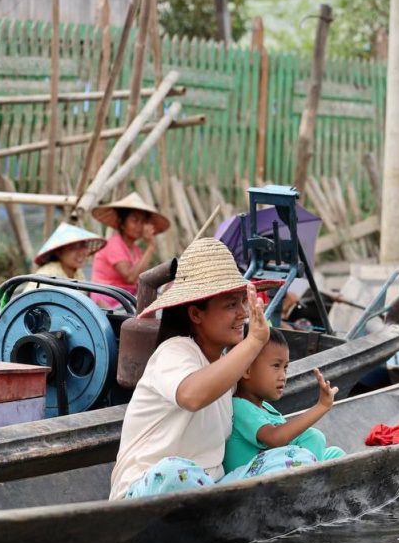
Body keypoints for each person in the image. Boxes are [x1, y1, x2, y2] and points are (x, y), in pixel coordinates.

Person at [109, 237, 318, 501]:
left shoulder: (225, 366)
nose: (243, 313)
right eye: (231, 305)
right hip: (148, 490)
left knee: (296, 459)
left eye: (243, 302)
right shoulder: (174, 351)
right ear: (196, 314)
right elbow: (192, 396)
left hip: (211, 493)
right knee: (177, 472)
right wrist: (254, 341)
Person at [224, 328, 346, 473]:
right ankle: (309, 483)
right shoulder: (239, 406)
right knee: (313, 437)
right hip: (249, 477)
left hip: (274, 468)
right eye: (276, 366)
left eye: (285, 367)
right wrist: (322, 406)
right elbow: (275, 438)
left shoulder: (266, 408)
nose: (283, 376)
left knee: (336, 454)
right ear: (246, 370)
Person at [90, 192, 169, 309]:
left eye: (142, 222)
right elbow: (130, 278)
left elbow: (138, 279)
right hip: (108, 298)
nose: (139, 226)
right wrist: (150, 247)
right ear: (122, 223)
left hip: (125, 297)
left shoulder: (136, 249)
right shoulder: (114, 244)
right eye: (134, 220)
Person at [22, 222, 106, 291]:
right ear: (59, 253)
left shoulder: (78, 273)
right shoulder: (48, 274)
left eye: (83, 246)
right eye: (73, 248)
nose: (81, 253)